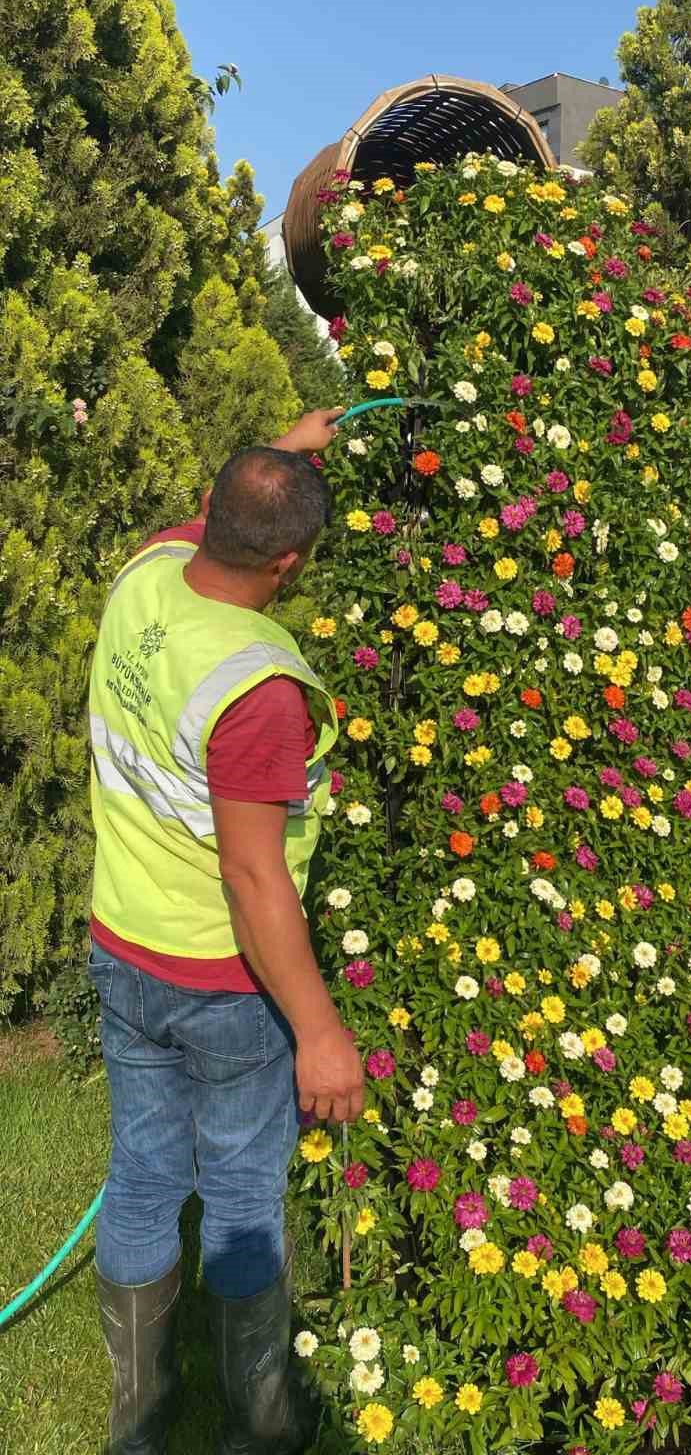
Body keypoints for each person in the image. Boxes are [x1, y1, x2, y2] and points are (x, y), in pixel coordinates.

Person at [86, 407, 365, 1455]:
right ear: (290, 561)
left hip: (122, 947)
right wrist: (322, 1028)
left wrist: (282, 450)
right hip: (223, 982)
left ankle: (142, 1424)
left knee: (146, 1176)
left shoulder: (146, 577)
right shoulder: (257, 684)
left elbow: (196, 522)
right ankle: (259, 1426)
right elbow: (254, 877)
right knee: (245, 1195)